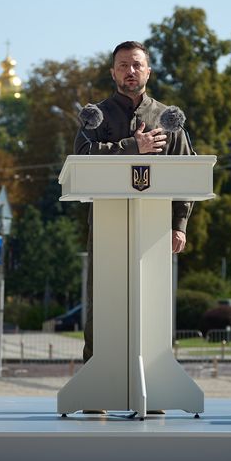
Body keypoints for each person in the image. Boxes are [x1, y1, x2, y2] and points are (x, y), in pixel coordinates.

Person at [74, 40, 193, 362]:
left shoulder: (169, 119)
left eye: (137, 64)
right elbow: (80, 159)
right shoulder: (95, 117)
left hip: (154, 230)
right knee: (103, 306)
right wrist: (130, 147)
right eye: (124, 65)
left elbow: (187, 175)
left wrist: (178, 225)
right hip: (107, 226)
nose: (131, 71)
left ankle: (154, 381)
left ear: (149, 71)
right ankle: (97, 384)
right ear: (113, 72)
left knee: (153, 304)